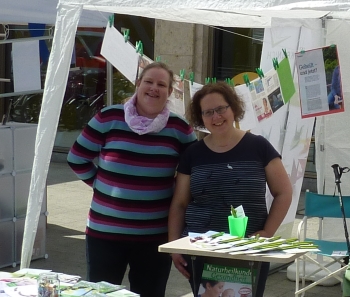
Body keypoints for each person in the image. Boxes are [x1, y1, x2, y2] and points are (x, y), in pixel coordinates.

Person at [67, 62, 197, 297]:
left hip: (155, 236)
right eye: (148, 81)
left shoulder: (179, 128)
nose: (153, 88)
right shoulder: (109, 117)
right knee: (101, 295)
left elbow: (193, 172)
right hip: (105, 234)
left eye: (161, 84)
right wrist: (102, 186)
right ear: (138, 84)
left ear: (170, 92)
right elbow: (77, 158)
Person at [168, 82, 292, 297]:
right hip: (199, 249)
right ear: (201, 118)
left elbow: (284, 193)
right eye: (208, 112)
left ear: (233, 108)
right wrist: (174, 245)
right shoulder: (192, 153)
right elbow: (179, 203)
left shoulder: (259, 147)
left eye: (221, 109)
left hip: (247, 250)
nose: (216, 117)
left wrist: (267, 233)